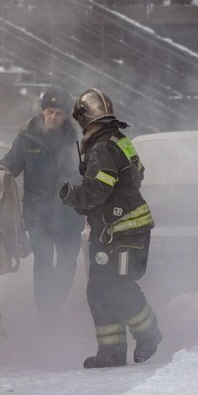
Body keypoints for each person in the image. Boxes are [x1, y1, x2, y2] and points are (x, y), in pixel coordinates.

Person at [60, 88, 162, 368]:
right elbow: (136, 175)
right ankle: (112, 352)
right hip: (119, 227)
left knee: (116, 286)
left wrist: (71, 196)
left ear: (84, 118)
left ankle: (149, 334)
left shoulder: (103, 146)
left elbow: (97, 190)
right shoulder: (118, 139)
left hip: (120, 230)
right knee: (101, 289)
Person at [0, 86, 83, 315]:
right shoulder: (26, 140)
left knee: (67, 266)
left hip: (70, 216)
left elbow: (90, 175)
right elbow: (9, 165)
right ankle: (47, 314)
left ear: (66, 117)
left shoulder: (78, 143)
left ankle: (56, 304)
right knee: (44, 266)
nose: (53, 117)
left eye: (58, 113)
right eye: (49, 111)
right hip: (39, 217)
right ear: (43, 111)